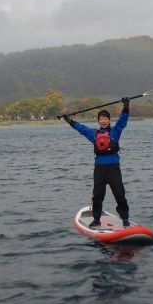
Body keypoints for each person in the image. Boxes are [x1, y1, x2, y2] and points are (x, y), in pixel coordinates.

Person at [62, 97, 131, 227]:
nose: (103, 121)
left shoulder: (115, 132)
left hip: (113, 168)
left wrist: (126, 107)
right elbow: (80, 128)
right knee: (97, 195)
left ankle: (125, 218)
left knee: (119, 194)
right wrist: (69, 121)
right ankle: (97, 219)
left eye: (105, 119)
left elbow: (123, 120)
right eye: (101, 119)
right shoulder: (94, 134)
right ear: (98, 121)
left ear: (109, 120)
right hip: (99, 169)